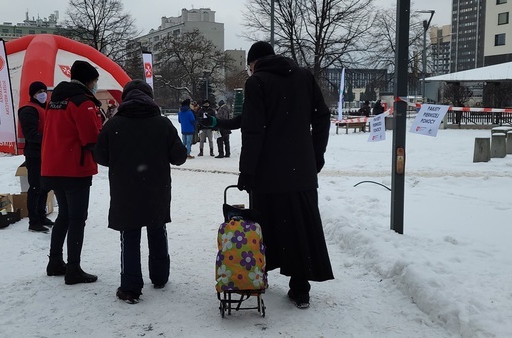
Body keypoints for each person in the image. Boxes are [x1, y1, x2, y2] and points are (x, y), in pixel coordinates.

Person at [206, 41, 333, 309]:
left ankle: (255, 277)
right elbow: (322, 117)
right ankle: (300, 288)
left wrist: (247, 172)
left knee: (264, 227)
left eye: (249, 67)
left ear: (253, 64)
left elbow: (254, 130)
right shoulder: (304, 76)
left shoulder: (258, 83)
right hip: (301, 172)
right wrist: (315, 155)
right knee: (299, 226)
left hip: (268, 173)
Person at [94, 79, 187, 304]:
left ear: (125, 99)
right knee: (157, 230)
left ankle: (130, 287)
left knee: (130, 235)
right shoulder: (162, 124)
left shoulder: (114, 125)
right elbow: (179, 157)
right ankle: (160, 276)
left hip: (125, 190)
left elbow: (100, 156)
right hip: (156, 188)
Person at [41, 60, 102, 285]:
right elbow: (90, 138)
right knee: (77, 218)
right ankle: (74, 268)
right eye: (95, 81)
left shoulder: (55, 100)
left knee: (64, 215)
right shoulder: (82, 102)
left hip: (54, 166)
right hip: (74, 169)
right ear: (88, 80)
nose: (96, 85)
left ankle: (55, 261)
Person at [18, 81, 55, 233]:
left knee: (45, 186)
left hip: (46, 153)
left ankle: (41, 214)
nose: (43, 94)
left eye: (44, 91)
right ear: (33, 94)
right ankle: (34, 220)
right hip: (35, 154)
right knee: (35, 187)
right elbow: (31, 134)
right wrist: (51, 138)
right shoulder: (28, 110)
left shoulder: (44, 107)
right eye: (39, 91)